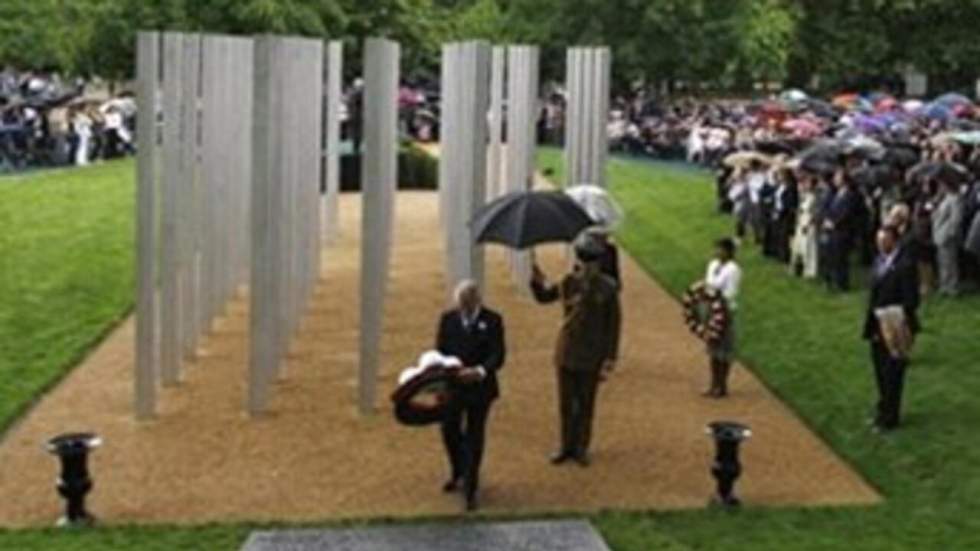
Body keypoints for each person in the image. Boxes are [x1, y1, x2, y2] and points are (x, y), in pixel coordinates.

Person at [530, 234, 621, 467]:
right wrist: (536, 280)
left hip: (592, 354)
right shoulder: (569, 281)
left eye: (592, 261)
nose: (588, 265)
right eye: (584, 260)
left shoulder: (608, 288)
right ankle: (565, 446)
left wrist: (610, 357)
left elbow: (613, 325)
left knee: (586, 403)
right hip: (567, 351)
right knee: (566, 403)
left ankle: (581, 446)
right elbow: (545, 297)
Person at [435, 280, 506, 512]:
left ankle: (471, 487)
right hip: (454, 387)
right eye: (460, 304)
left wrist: (479, 371)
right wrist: (443, 380)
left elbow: (498, 355)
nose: (463, 309)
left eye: (467, 304)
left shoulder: (493, 320)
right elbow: (440, 353)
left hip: (479, 389)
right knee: (449, 430)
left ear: (476, 301)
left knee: (475, 436)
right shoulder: (448, 320)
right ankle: (458, 471)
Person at [863, 226, 919, 432]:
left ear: (894, 241)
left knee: (893, 373)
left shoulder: (905, 265)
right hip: (876, 325)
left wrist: (891, 315)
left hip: (896, 326)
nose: (880, 244)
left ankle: (890, 418)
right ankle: (882, 409)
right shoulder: (879, 261)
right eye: (878, 240)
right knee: (879, 370)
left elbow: (912, 300)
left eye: (884, 240)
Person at [704, 238, 742, 397]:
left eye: (720, 250)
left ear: (729, 252)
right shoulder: (713, 265)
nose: (717, 252)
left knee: (724, 348)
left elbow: (729, 292)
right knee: (713, 347)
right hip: (712, 307)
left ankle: (722, 384)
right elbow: (709, 283)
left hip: (725, 309)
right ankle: (713, 383)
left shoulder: (734, 269)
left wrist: (716, 295)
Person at [932, 179, 964, 296]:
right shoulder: (944, 198)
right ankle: (944, 284)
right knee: (942, 261)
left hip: (947, 235)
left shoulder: (955, 199)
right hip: (939, 234)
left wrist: (950, 234)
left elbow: (956, 218)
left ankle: (952, 286)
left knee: (950, 262)